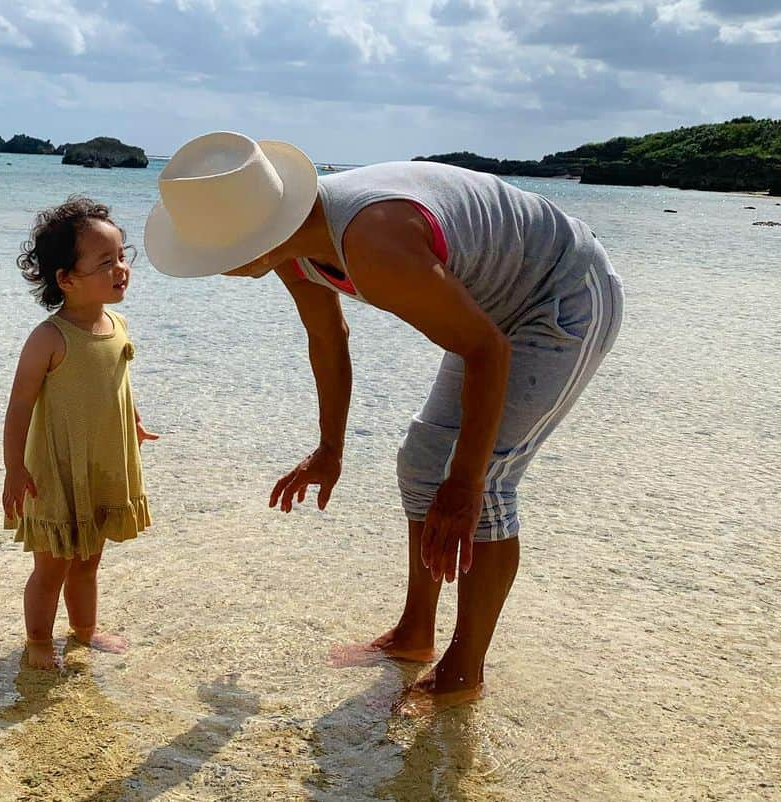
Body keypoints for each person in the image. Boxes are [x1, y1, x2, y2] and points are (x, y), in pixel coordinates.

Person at [144, 133, 623, 709]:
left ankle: (464, 672)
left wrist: (465, 483)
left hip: (561, 295)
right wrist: (330, 448)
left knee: (486, 483)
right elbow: (328, 336)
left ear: (256, 236)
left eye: (216, 255)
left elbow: (487, 352)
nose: (216, 270)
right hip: (491, 310)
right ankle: (414, 634)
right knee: (423, 463)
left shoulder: (374, 242)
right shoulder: (292, 243)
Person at [3, 195, 157, 670]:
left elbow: (118, 381)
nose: (121, 269)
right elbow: (20, 404)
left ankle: (85, 634)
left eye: (122, 257)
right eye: (105, 261)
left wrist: (132, 421)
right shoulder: (49, 338)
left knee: (89, 558)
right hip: (56, 469)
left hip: (103, 463)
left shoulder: (118, 324)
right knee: (52, 566)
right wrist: (13, 468)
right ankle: (38, 646)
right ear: (66, 280)